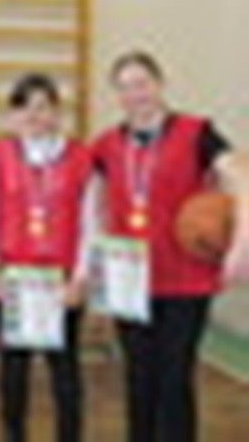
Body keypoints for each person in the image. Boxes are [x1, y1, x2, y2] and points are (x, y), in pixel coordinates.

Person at [93, 51, 249, 442]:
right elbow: (84, 198)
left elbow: (242, 176)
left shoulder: (197, 132)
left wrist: (241, 244)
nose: (135, 94)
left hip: (186, 279)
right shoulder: (106, 144)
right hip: (131, 280)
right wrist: (95, 256)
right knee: (138, 377)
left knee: (174, 377)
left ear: (160, 84)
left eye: (142, 83)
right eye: (125, 87)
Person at [0, 73, 96, 442]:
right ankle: (13, 434)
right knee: (13, 370)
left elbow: (90, 223)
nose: (33, 115)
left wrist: (81, 277)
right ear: (13, 116)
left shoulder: (80, 157)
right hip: (13, 280)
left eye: (42, 106)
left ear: (57, 112)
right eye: (24, 107)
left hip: (61, 282)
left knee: (64, 369)